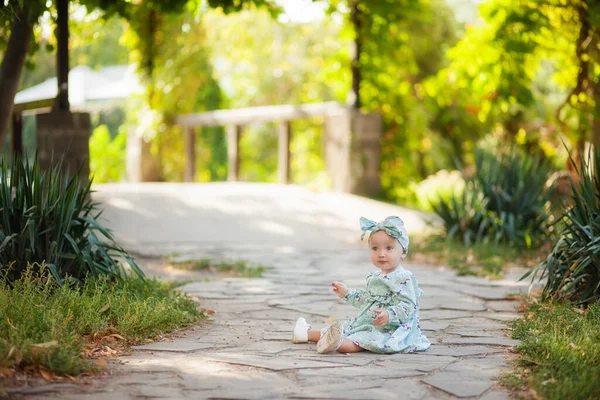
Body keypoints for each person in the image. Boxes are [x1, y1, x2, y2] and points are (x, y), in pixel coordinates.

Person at [292, 216, 431, 354]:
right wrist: (347, 293)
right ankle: (306, 334)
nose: (381, 254)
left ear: (404, 252)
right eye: (375, 249)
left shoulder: (404, 277)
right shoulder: (375, 276)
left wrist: (389, 314)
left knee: (363, 339)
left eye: (389, 248)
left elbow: (409, 306)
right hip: (368, 323)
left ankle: (336, 344)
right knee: (346, 329)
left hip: (390, 327)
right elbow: (367, 300)